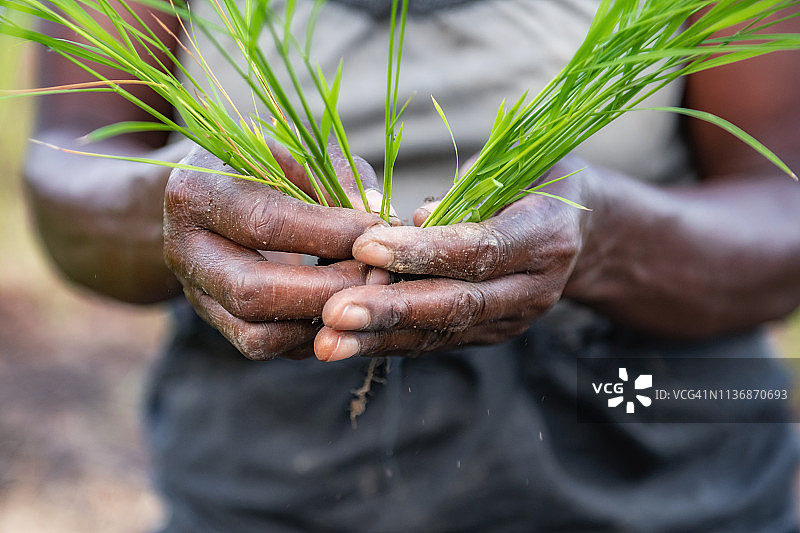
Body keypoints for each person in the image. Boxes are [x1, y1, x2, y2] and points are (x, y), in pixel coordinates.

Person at [25, 0, 800, 531]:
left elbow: (783, 205)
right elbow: (68, 156)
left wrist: (604, 236)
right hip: (270, 486)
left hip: (659, 481)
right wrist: (173, 201)